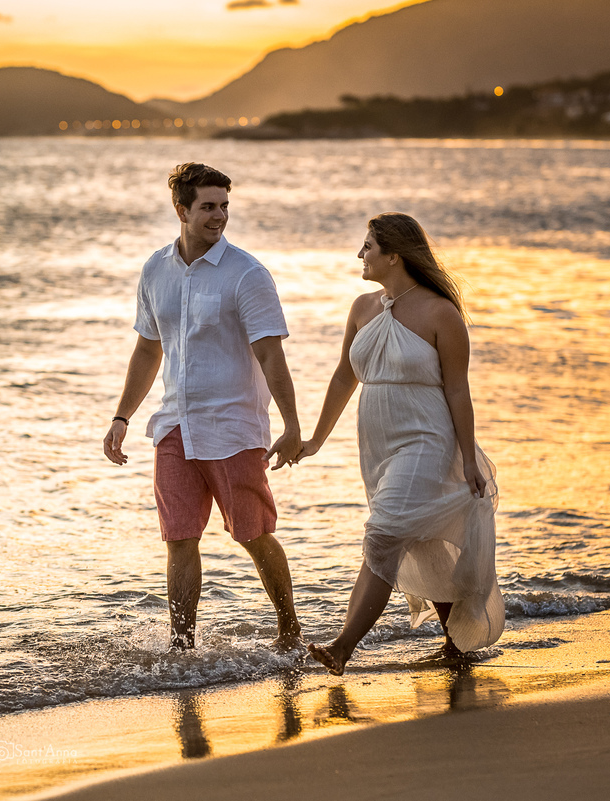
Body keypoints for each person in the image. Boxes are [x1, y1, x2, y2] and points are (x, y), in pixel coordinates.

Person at [103, 162, 304, 652]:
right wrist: (121, 416)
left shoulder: (248, 275)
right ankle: (182, 647)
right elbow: (148, 350)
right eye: (209, 207)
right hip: (174, 425)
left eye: (224, 207)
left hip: (233, 427)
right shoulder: (155, 270)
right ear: (181, 210)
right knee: (179, 539)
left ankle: (289, 630)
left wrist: (292, 424)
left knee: (253, 535)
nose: (219, 217)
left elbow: (270, 353)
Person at [299, 212, 504, 675]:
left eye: (367, 246)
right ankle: (458, 643)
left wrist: (469, 459)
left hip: (427, 440)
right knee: (422, 540)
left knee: (385, 532)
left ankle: (342, 646)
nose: (360, 254)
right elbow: (342, 377)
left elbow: (458, 391)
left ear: (395, 255)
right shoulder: (361, 307)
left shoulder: (440, 313)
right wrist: (315, 439)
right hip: (377, 444)